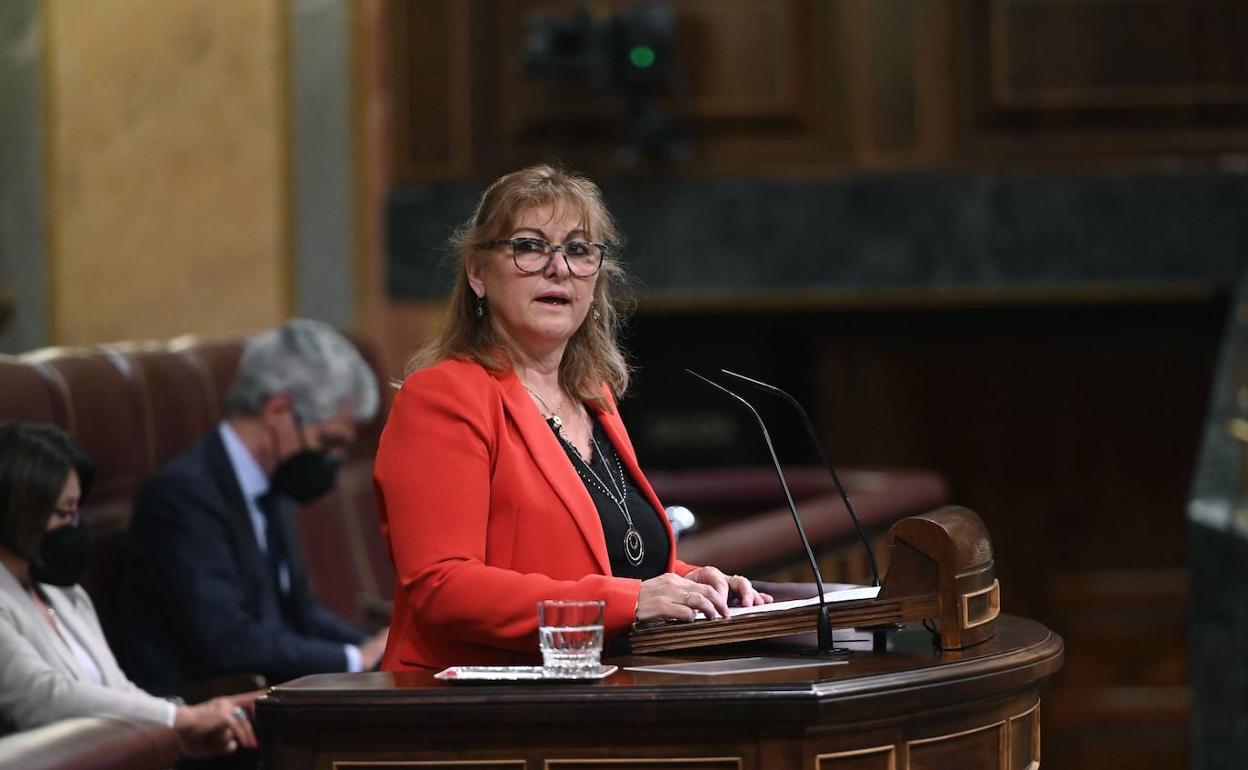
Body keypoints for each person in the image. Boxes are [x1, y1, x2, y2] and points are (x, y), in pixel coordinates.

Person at [374, 164, 773, 671]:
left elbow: (598, 553)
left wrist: (686, 582)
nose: (559, 268)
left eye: (579, 250)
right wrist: (631, 602)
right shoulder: (445, 396)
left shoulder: (593, 396)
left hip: (595, 692)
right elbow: (443, 585)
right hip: (474, 709)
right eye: (529, 246)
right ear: (478, 272)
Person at [114, 319, 389, 690]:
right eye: (328, 442)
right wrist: (356, 660)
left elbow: (301, 612)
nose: (335, 461)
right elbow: (228, 643)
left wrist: (375, 648)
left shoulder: (271, 486)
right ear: (278, 411)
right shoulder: (183, 497)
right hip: (208, 720)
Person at [0, 422, 257, 758]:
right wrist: (179, 718)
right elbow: (44, 698)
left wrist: (188, 728)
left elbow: (118, 689)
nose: (73, 527)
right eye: (63, 512)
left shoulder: (65, 594)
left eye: (77, 512)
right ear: (18, 511)